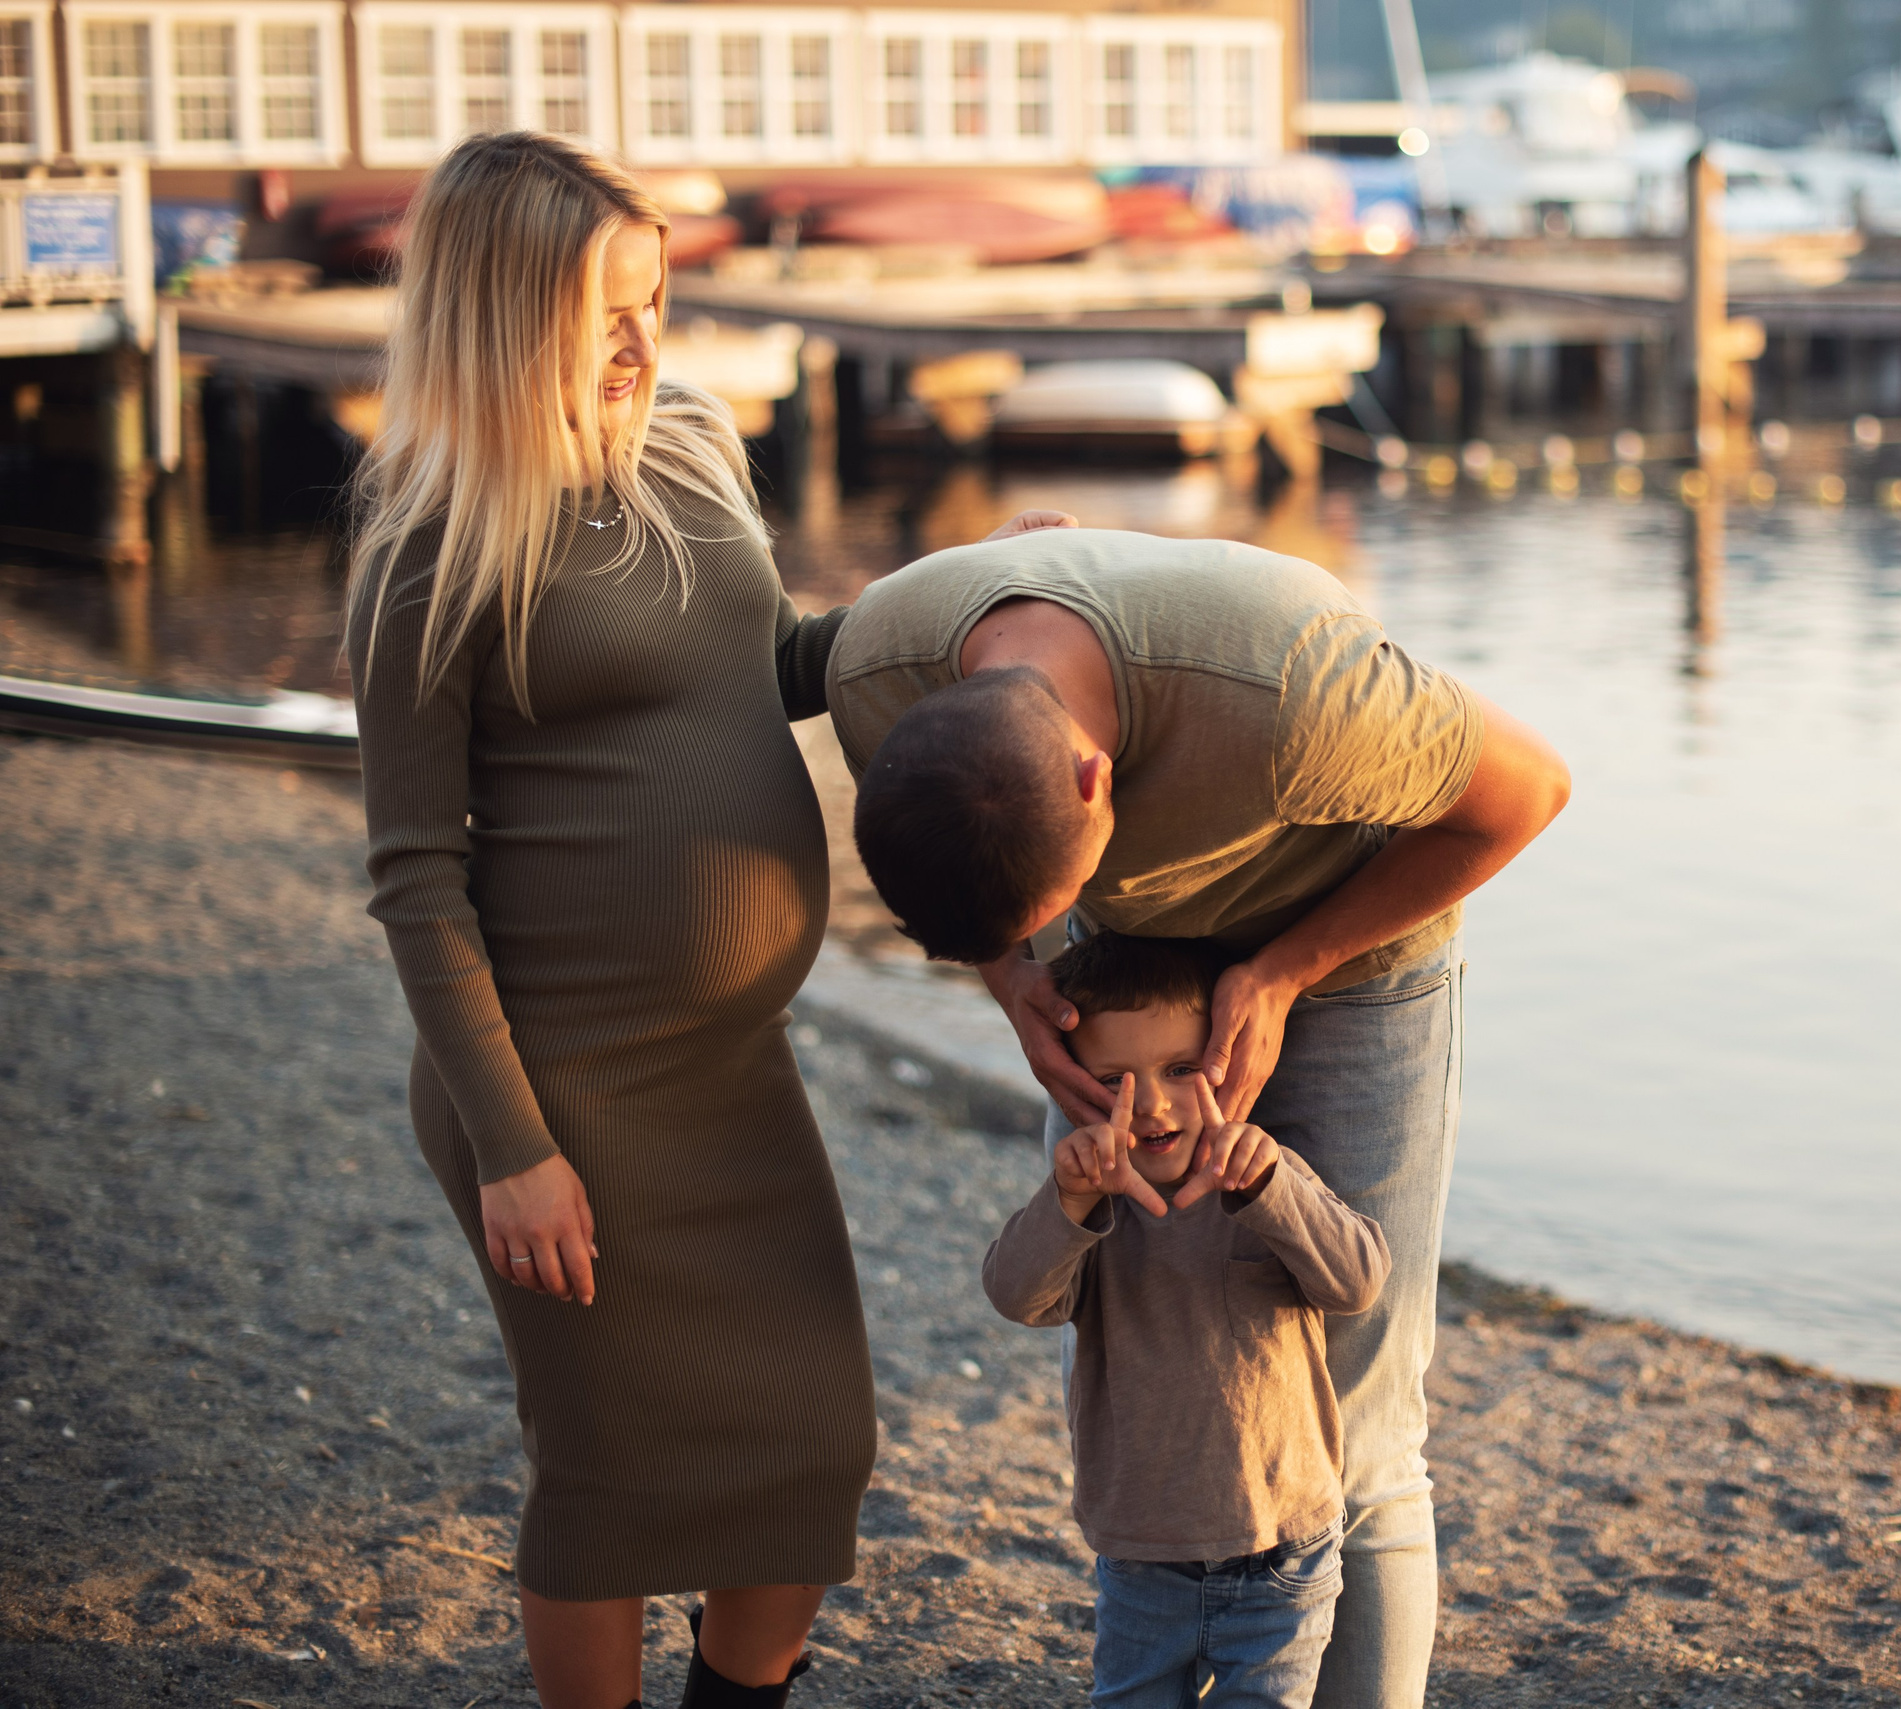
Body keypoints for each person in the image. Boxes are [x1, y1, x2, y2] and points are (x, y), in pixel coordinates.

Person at [827, 525, 1570, 1706]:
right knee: (1136, 1315)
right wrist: (1020, 975)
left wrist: (1282, 971)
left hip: (1352, 936)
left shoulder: (1294, 693)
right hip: (1125, 978)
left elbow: (1529, 790)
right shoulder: (875, 675)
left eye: (1047, 905)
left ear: (1094, 778)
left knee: (1359, 1420)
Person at [345, 132, 876, 1709]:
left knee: (813, 1439)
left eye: (656, 301)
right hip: (565, 1084)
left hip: (732, 1075)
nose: (646, 344)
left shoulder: (694, 459)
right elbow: (414, 879)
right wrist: (515, 1147)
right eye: (603, 312)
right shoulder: (428, 553)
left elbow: (770, 661)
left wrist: (960, 604)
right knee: (614, 1473)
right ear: (502, 320)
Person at [981, 933, 1389, 1709]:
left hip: (1283, 1550)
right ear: (1074, 1087)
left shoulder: (1269, 1173)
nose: (1155, 1104)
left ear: (1222, 1064)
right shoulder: (1093, 1209)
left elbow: (1359, 1280)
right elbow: (1016, 1294)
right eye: (1114, 1080)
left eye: (1178, 1069)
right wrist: (1066, 1201)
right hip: (1142, 1557)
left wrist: (1270, 1185)